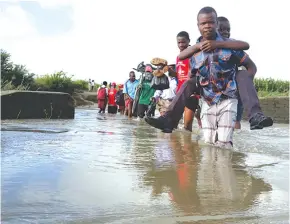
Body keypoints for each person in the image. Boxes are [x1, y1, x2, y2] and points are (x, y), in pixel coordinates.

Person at [187, 6, 258, 147]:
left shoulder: (231, 47)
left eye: (211, 22)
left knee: (224, 143)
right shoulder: (196, 53)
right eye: (203, 23)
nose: (207, 26)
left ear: (216, 24)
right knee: (208, 143)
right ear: (198, 26)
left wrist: (242, 85)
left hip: (228, 98)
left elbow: (251, 66)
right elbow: (192, 74)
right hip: (207, 101)